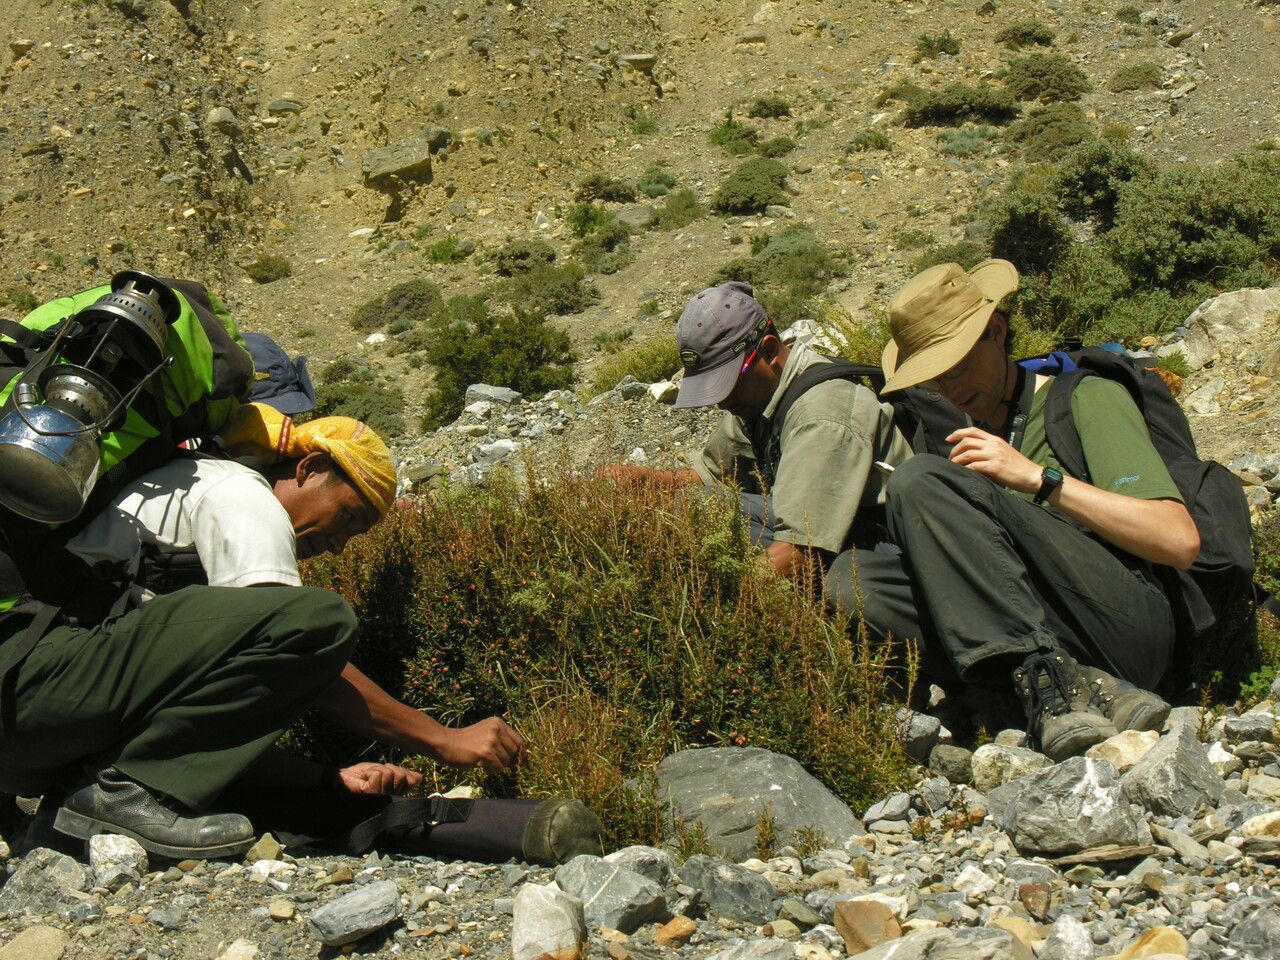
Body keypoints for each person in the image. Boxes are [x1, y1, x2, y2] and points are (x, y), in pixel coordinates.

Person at [0, 403, 524, 859]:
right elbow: (313, 654)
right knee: (318, 619)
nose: (340, 543)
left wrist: (327, 779)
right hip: (37, 691)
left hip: (30, 723)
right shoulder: (240, 496)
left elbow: (190, 734)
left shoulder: (195, 489)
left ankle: (102, 801)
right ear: (310, 468)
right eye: (347, 517)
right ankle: (120, 800)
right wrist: (445, 740)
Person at [827, 260, 1198, 760]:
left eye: (957, 365)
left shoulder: (1085, 398)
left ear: (996, 332)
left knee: (919, 479)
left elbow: (1177, 541)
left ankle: (1038, 682)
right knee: (856, 581)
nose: (951, 388)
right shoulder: (963, 433)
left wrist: (1037, 480)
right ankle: (1054, 683)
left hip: (1126, 625)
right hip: (1053, 635)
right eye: (936, 377)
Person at [607, 281, 912, 579]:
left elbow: (799, 553)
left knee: (843, 586)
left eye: (727, 383)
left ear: (768, 351)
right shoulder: (758, 398)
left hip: (884, 549)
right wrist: (650, 481)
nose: (721, 402)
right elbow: (714, 475)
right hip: (824, 534)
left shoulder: (821, 415)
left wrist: (715, 604)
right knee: (690, 502)